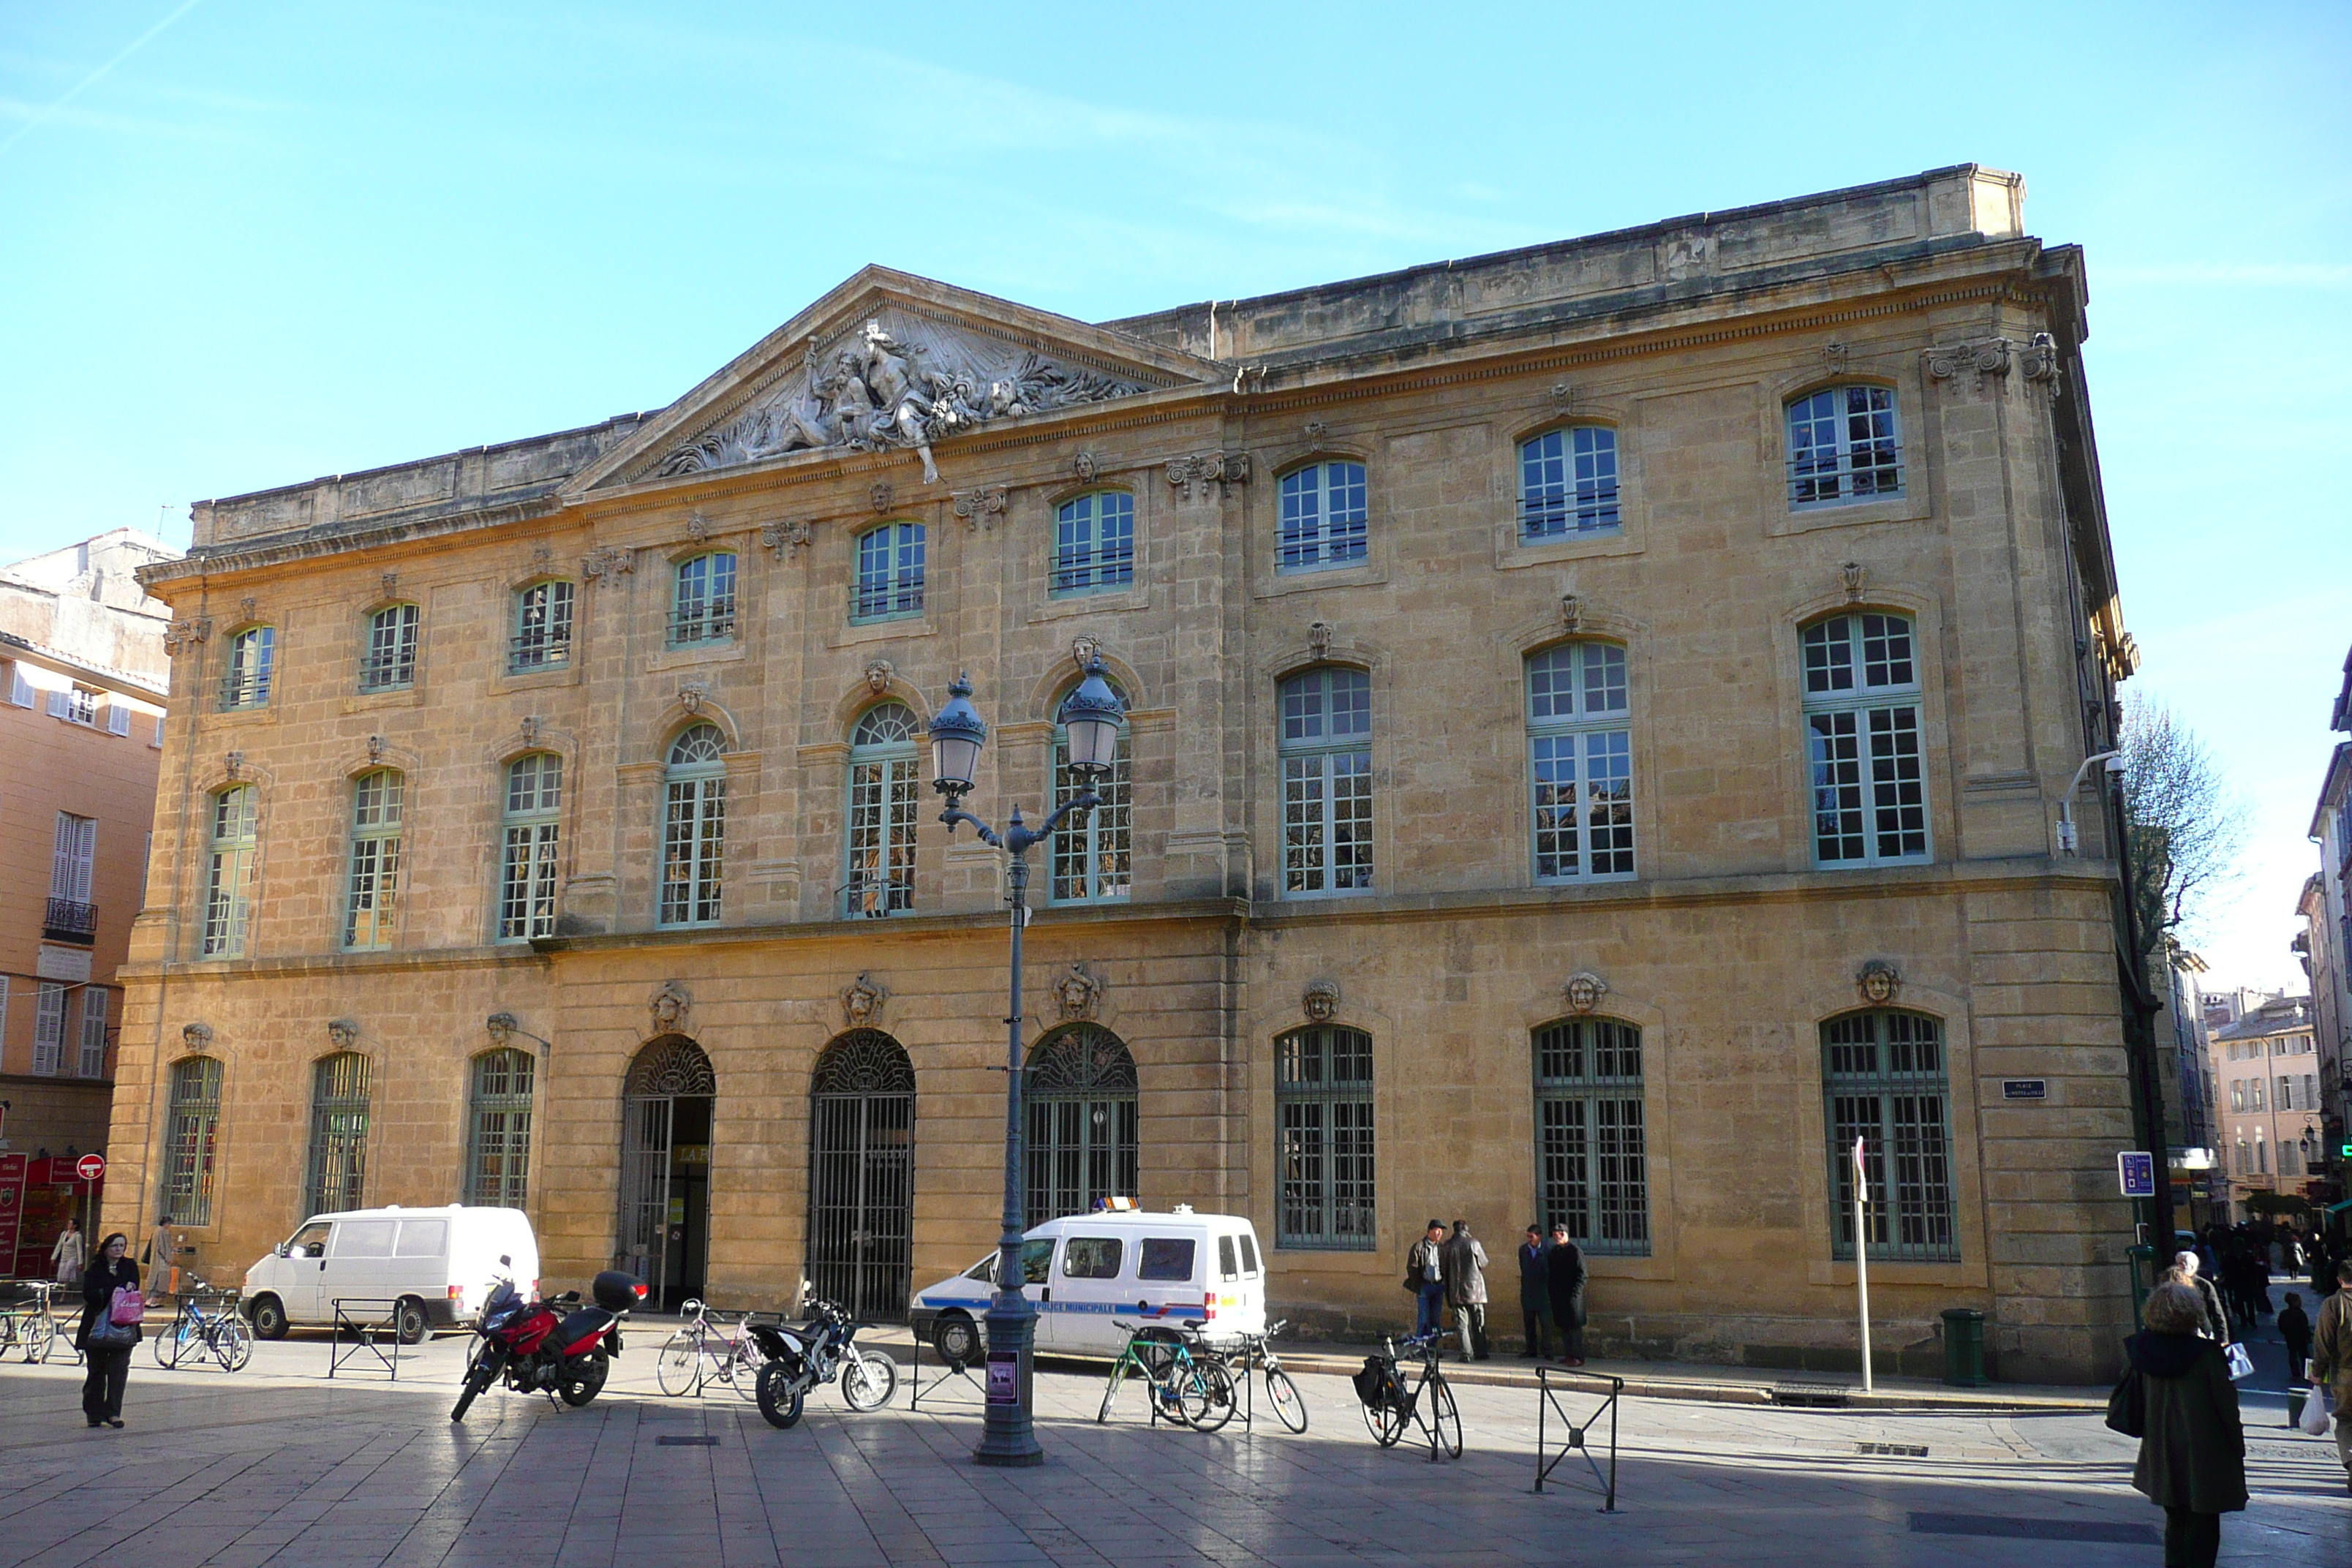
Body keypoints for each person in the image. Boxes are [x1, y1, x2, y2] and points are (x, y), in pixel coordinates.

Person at [2125, 1281, 2247, 1568]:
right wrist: (2236, 1444)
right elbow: (2227, 1406)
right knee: (2204, 1522)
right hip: (2204, 1447)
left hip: (2160, 1445)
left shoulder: (2140, 1350)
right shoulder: (2207, 1354)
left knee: (2175, 1518)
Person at [76, 1232, 140, 1430]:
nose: (119, 1249)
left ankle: (113, 1413)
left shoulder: (130, 1266)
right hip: (96, 1328)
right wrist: (114, 1290)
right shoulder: (95, 1268)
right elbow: (89, 1294)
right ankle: (94, 1413)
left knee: (119, 1371)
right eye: (115, 1245)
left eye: (122, 1245)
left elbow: (136, 1290)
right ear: (106, 1248)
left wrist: (130, 1288)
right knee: (96, 1372)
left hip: (123, 1327)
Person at [2312, 1256, 2352, 1495]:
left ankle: (2351, 1461)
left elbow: (2323, 1342)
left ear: (2340, 1279)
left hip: (2345, 1374)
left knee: (2347, 1420)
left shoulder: (2333, 1304)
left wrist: (2318, 1372)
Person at [1442, 1221, 1490, 1362]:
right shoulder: (1473, 1243)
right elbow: (1484, 1262)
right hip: (1475, 1291)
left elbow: (1444, 1269)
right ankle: (1481, 1352)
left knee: (1462, 1325)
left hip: (1456, 1292)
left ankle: (1466, 1354)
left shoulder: (1448, 1245)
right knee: (1478, 1323)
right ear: (1466, 1229)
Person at [1544, 1222, 1586, 1367]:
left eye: (1560, 1234)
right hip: (1559, 1296)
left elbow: (1582, 1275)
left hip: (1573, 1298)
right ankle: (1569, 1355)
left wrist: (1575, 1294)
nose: (1557, 1237)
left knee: (1574, 1329)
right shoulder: (1554, 1252)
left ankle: (1578, 1357)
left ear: (1566, 1235)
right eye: (1555, 1235)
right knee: (1564, 1328)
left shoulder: (1575, 1251)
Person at [2168, 1252, 2232, 1346]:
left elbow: (2217, 1313)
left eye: (2182, 1264)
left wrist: (2223, 1339)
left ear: (2192, 1267)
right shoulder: (2170, 1284)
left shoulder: (2204, 1285)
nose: (2178, 1267)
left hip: (2201, 1333)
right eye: (2177, 1263)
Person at [1406, 1221, 1447, 1341]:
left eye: (1441, 1231)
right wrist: (1419, 1284)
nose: (1439, 1234)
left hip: (1438, 1286)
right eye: (1437, 1230)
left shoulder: (1441, 1248)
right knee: (1424, 1318)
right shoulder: (1419, 1246)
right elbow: (1412, 1267)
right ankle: (1421, 1346)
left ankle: (1433, 1349)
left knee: (1435, 1319)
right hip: (1424, 1286)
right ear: (1430, 1230)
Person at [1518, 1224, 1551, 1359]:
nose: (1530, 1240)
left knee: (1545, 1324)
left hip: (1543, 1292)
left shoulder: (1547, 1250)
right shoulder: (1523, 1250)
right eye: (1528, 1237)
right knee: (1529, 1324)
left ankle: (1547, 1351)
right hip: (1528, 1291)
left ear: (1539, 1237)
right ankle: (1531, 1350)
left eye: (1532, 1237)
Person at [2279, 1292, 2313, 1390]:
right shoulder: (2300, 1313)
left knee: (2292, 1354)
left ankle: (2295, 1372)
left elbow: (2281, 1326)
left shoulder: (2284, 1314)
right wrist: (2308, 1336)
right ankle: (2308, 1373)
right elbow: (2304, 1327)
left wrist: (2286, 1333)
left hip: (2290, 1337)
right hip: (2301, 1338)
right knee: (2305, 1355)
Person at [50, 1218, 85, 1288]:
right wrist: (54, 1257)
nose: (68, 1225)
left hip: (73, 1258)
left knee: (68, 1273)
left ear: (75, 1226)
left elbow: (79, 1250)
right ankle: (65, 1289)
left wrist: (80, 1263)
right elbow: (59, 1246)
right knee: (61, 1274)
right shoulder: (64, 1234)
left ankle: (65, 1293)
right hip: (64, 1257)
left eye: (70, 1224)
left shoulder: (78, 1236)